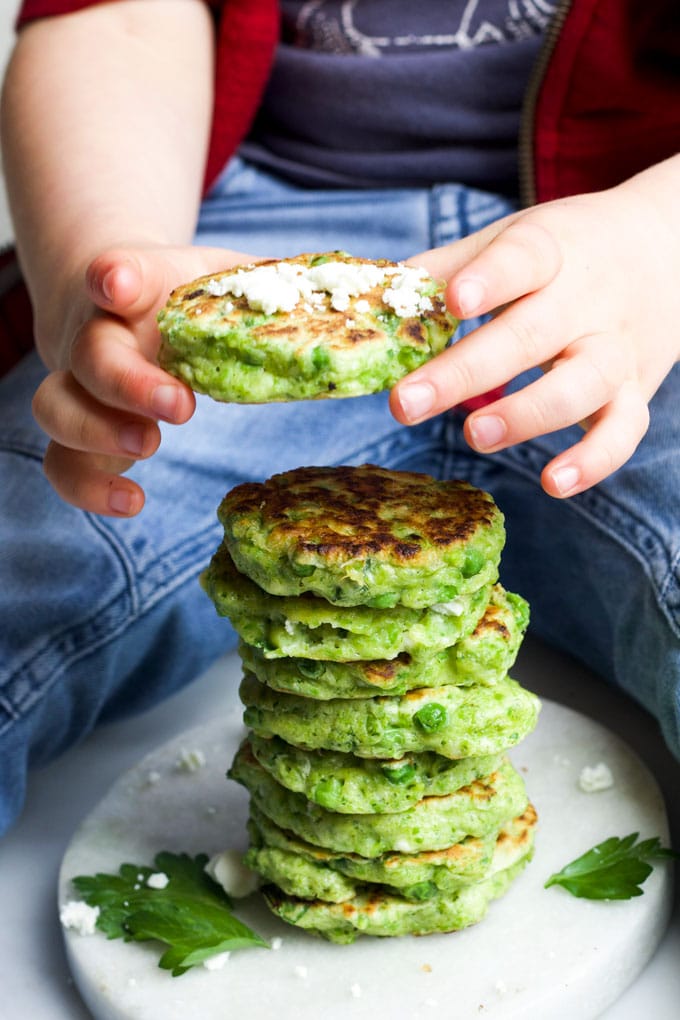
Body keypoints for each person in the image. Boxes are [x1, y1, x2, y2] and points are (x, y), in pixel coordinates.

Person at [0, 0, 678, 838]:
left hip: (639, 258)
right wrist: (98, 262)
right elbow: (117, 18)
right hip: (246, 251)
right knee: (29, 563)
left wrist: (661, 237)